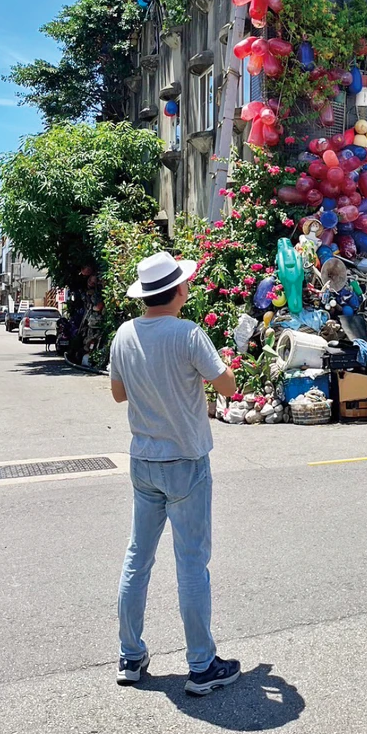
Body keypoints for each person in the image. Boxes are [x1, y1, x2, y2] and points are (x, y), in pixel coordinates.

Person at [109, 251, 240, 695]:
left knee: (137, 558)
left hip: (143, 460)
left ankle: (130, 655)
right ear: (178, 290)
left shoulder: (125, 334)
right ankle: (201, 665)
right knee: (191, 563)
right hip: (186, 460)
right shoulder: (188, 334)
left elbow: (118, 394)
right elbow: (228, 386)